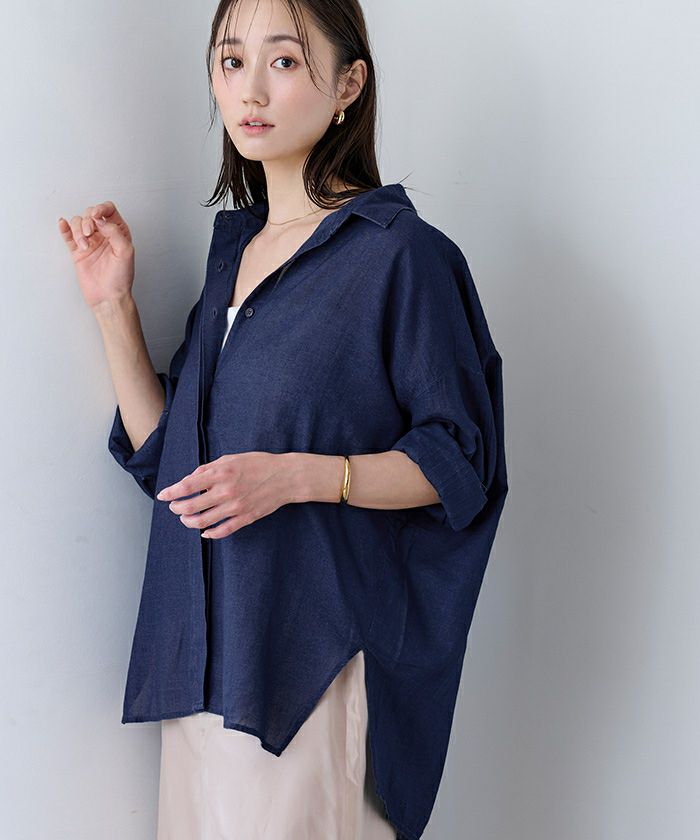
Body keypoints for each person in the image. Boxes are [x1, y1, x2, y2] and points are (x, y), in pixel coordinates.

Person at [57, 0, 508, 838]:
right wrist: (113, 305)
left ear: (349, 84)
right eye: (232, 61)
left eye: (285, 61)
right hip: (200, 665)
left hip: (308, 662)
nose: (250, 89)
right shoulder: (233, 258)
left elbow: (459, 462)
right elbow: (172, 464)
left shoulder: (401, 256)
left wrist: (300, 475)